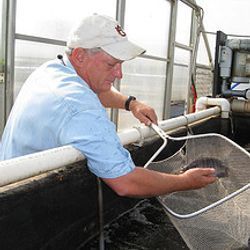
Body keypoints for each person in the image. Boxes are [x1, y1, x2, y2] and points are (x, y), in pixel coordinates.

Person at [0, 14, 216, 197]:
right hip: (19, 200)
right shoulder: (80, 106)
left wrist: (131, 103)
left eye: (120, 64)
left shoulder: (54, 70)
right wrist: (186, 181)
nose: (119, 73)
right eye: (112, 64)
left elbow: (96, 92)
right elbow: (126, 182)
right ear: (80, 55)